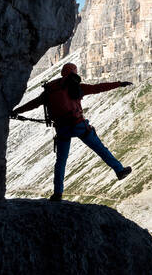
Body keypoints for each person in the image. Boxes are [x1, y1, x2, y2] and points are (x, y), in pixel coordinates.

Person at [12, 62, 133, 201]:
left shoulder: (50, 89)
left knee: (61, 161)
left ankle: (57, 193)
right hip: (79, 126)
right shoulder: (75, 86)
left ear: (63, 73)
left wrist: (16, 112)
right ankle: (119, 170)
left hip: (62, 129)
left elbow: (33, 103)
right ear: (74, 72)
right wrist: (118, 84)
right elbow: (97, 88)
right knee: (100, 149)